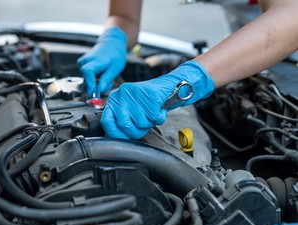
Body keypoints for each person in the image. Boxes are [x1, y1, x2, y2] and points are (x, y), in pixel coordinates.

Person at [77, 0, 298, 139]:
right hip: (247, 54)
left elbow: (292, 12)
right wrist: (112, 39)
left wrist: (188, 79)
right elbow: (125, 17)